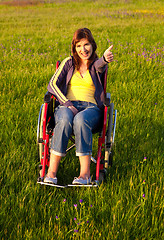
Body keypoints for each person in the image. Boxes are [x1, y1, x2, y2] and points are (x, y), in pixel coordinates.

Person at [44, 28, 113, 185]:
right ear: (74, 48)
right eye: (79, 46)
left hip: (91, 109)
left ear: (92, 45)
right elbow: (52, 84)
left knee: (81, 120)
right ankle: (51, 173)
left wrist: (105, 58)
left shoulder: (95, 64)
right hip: (67, 106)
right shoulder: (68, 63)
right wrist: (67, 104)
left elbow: (101, 65)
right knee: (65, 118)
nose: (83, 49)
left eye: (87, 44)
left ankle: (85, 175)